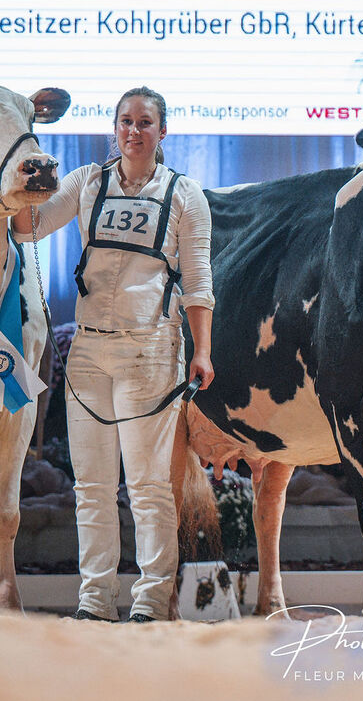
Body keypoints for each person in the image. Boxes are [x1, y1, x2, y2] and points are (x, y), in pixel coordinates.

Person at [13, 86, 215, 622]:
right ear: (114, 128)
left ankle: (150, 602)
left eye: (145, 122)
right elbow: (25, 226)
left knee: (149, 487)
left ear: (162, 131)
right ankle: (95, 601)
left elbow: (198, 281)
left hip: (151, 351)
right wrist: (21, 180)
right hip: (88, 353)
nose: (133, 131)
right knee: (93, 487)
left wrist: (204, 352)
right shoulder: (86, 182)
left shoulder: (184, 195)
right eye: (125, 121)